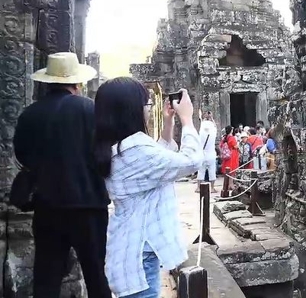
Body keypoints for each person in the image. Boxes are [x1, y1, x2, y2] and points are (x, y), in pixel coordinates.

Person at [13, 52, 111, 298]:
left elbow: (22, 155)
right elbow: (104, 158)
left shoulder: (30, 114)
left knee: (46, 278)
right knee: (96, 275)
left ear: (47, 82)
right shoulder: (90, 110)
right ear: (77, 83)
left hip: (47, 206)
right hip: (89, 205)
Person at [94, 80, 203, 298]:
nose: (148, 108)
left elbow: (156, 166)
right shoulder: (136, 149)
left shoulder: (119, 145)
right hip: (139, 254)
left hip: (132, 247)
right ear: (131, 110)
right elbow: (191, 161)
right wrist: (188, 120)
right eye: (146, 104)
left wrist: (168, 123)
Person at [196, 111, 217, 193]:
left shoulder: (201, 132)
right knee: (212, 170)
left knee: (200, 171)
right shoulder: (213, 132)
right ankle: (212, 188)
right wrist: (211, 118)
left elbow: (201, 125)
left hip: (202, 153)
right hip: (211, 154)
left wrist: (203, 118)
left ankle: (198, 187)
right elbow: (215, 127)